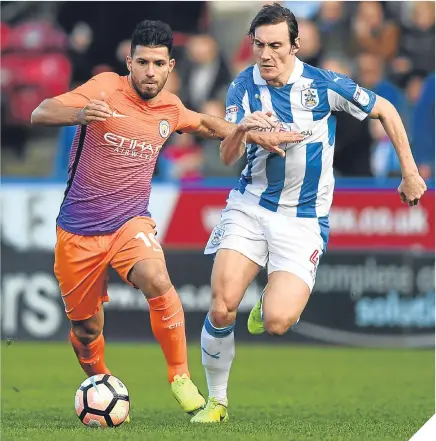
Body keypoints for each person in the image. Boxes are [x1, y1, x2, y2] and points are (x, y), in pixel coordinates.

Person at [30, 19, 303, 418]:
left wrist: (250, 132)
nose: (150, 72)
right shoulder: (105, 87)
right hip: (78, 232)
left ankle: (179, 377)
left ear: (171, 66)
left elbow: (208, 124)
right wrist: (79, 114)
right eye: (142, 63)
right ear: (129, 62)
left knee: (158, 280)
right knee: (87, 331)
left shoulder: (169, 108)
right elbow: (41, 111)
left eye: (158, 64)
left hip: (130, 224)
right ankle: (103, 381)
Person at [192, 3, 427, 423]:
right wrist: (244, 128)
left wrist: (409, 172)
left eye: (276, 46)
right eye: (259, 45)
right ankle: (217, 401)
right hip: (251, 205)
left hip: (302, 220)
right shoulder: (242, 88)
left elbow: (386, 110)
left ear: (296, 46)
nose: (266, 55)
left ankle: (269, 303)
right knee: (222, 304)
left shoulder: (322, 86)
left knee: (279, 321)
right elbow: (227, 156)